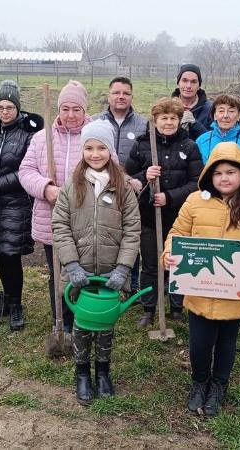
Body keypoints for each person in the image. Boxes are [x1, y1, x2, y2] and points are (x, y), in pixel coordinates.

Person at [163, 142, 240, 417]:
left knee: (227, 343)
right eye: (218, 173)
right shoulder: (194, 201)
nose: (224, 178)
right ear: (209, 177)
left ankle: (219, 385)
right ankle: (199, 381)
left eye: (230, 172)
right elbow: (177, 233)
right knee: (200, 344)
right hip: (200, 290)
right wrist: (169, 254)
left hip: (235, 292)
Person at [52, 120, 141, 405]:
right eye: (89, 148)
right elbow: (60, 225)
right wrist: (72, 264)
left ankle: (103, 370)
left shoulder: (123, 186)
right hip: (80, 270)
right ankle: (81, 372)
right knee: (81, 322)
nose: (95, 153)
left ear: (110, 150)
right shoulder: (71, 184)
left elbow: (132, 230)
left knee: (104, 323)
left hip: (110, 270)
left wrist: (124, 267)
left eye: (101, 147)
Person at [19, 80, 92, 334]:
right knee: (57, 271)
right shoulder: (41, 138)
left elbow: (110, 169)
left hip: (85, 219)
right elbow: (25, 171)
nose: (70, 115)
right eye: (65, 109)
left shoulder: (95, 137)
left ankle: (81, 318)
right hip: (51, 218)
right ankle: (60, 321)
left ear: (85, 111)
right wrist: (46, 188)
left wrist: (83, 193)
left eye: (76, 109)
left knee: (82, 271)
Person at [125, 97, 203, 326]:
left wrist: (169, 197)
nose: (168, 122)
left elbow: (197, 182)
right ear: (155, 120)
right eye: (163, 118)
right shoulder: (142, 144)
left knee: (178, 261)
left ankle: (177, 308)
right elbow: (127, 177)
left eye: (173, 118)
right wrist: (144, 176)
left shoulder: (189, 146)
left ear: (179, 120)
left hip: (179, 216)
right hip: (149, 216)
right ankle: (149, 308)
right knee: (150, 262)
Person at [0, 80, 44, 331]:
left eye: (10, 107)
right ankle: (4, 299)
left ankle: (16, 305)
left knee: (11, 256)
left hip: (16, 203)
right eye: (1, 107)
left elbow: (25, 172)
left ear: (17, 107)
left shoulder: (28, 135)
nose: (5, 112)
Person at [93, 76, 148, 290]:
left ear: (132, 96)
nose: (121, 97)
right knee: (107, 236)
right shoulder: (96, 121)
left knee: (129, 236)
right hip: (101, 189)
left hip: (133, 191)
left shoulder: (144, 125)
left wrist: (139, 181)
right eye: (116, 92)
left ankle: (131, 283)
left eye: (125, 93)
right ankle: (106, 280)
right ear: (109, 95)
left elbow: (149, 160)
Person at [195, 94, 240, 188]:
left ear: (239, 116)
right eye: (221, 111)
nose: (225, 116)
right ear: (214, 115)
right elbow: (194, 174)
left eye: (231, 111)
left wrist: (234, 190)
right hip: (208, 196)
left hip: (239, 198)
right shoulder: (202, 141)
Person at [171, 64, 214, 140]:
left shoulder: (211, 110)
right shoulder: (167, 107)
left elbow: (213, 140)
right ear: (178, 83)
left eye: (193, 82)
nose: (188, 86)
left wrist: (195, 124)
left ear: (199, 86)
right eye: (184, 80)